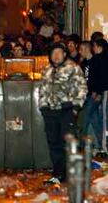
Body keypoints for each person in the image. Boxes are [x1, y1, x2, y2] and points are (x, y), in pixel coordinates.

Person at [39, 43, 87, 184]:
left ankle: (71, 173)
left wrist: (76, 107)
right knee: (54, 143)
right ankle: (58, 174)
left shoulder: (73, 68)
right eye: (54, 52)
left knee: (68, 143)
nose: (56, 55)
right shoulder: (46, 70)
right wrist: (43, 107)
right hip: (50, 112)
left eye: (60, 52)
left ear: (64, 54)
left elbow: (82, 88)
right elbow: (41, 90)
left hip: (67, 110)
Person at [79, 41, 103, 150]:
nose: (80, 52)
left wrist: (97, 92)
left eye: (81, 49)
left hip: (94, 95)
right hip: (87, 94)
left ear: (86, 49)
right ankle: (102, 144)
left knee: (85, 117)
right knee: (95, 120)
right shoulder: (83, 63)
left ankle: (80, 144)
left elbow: (100, 77)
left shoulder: (96, 61)